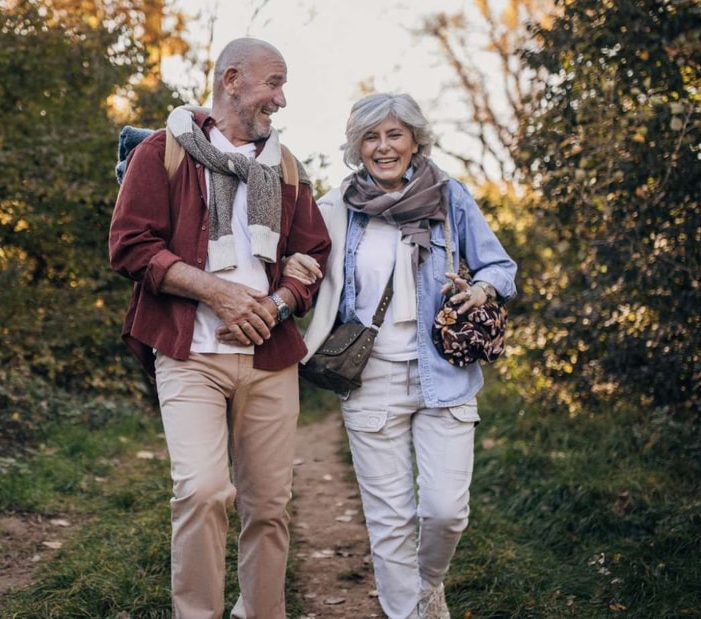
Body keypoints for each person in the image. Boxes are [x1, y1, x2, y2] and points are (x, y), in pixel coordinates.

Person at [108, 37, 331, 618]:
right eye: (274, 83)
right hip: (189, 353)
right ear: (232, 80)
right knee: (203, 492)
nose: (281, 99)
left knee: (269, 506)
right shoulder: (162, 152)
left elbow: (313, 255)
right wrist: (219, 293)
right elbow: (130, 247)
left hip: (269, 357)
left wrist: (278, 304)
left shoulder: (285, 166)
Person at [288, 93, 517, 619]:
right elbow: (298, 259)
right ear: (357, 146)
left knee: (445, 513)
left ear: (415, 139)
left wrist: (482, 289)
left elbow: (500, 267)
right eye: (371, 137)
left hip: (446, 376)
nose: (383, 147)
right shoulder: (337, 206)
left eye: (394, 135)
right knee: (389, 522)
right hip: (370, 380)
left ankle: (428, 584)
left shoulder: (449, 197)